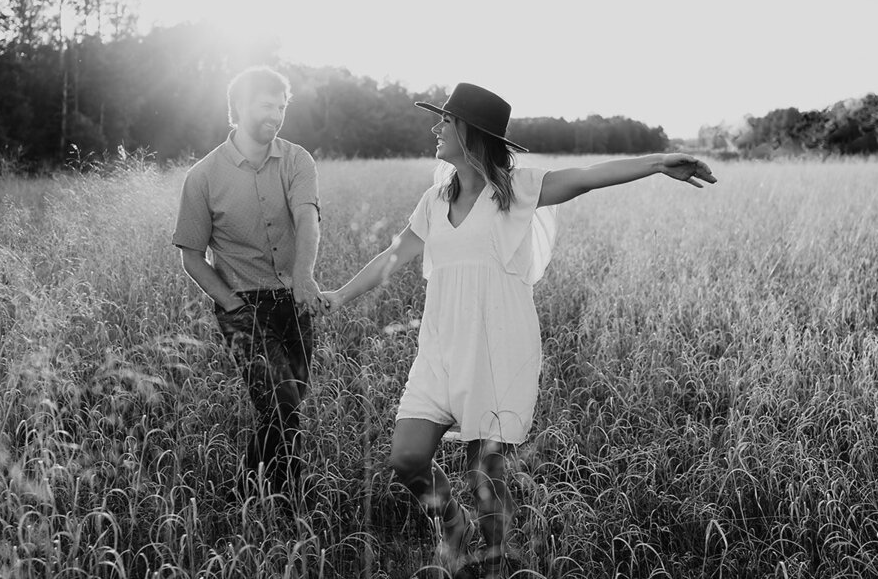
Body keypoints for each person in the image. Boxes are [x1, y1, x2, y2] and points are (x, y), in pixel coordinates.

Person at [322, 82, 717, 576]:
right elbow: (392, 256)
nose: (435, 128)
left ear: (471, 133)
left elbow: (588, 177)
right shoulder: (432, 200)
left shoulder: (517, 191)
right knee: (406, 459)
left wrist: (658, 161)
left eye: (445, 121)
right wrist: (338, 295)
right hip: (440, 352)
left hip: (497, 351)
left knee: (484, 479)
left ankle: (493, 562)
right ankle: (453, 527)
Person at [172, 65, 327, 501]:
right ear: (238, 107)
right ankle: (288, 501)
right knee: (281, 403)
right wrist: (231, 305)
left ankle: (248, 491)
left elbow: (307, 219)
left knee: (289, 404)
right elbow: (190, 255)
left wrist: (303, 279)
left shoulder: (297, 160)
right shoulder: (202, 177)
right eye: (266, 104)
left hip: (295, 299)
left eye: (281, 106)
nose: (276, 113)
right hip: (244, 307)